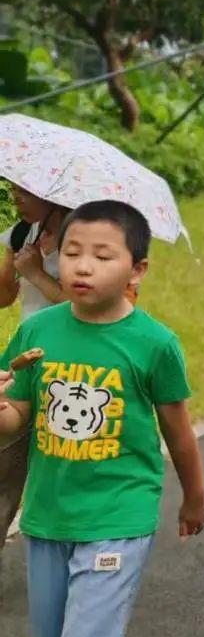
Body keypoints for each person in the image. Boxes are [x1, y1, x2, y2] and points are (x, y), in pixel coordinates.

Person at [0, 200, 204, 637]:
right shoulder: (38, 332)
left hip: (118, 512)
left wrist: (194, 497)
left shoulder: (154, 344)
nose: (83, 267)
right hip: (47, 513)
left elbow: (179, 432)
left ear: (138, 270)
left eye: (102, 255)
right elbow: (17, 413)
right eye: (72, 253)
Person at [0, 185, 69, 561]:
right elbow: (3, 298)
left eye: (24, 192)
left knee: (58, 469)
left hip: (68, 363)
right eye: (12, 190)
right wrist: (13, 261)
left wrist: (38, 274)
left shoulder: (82, 234)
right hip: (22, 359)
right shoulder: (22, 231)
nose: (16, 199)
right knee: (4, 462)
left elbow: (90, 304)